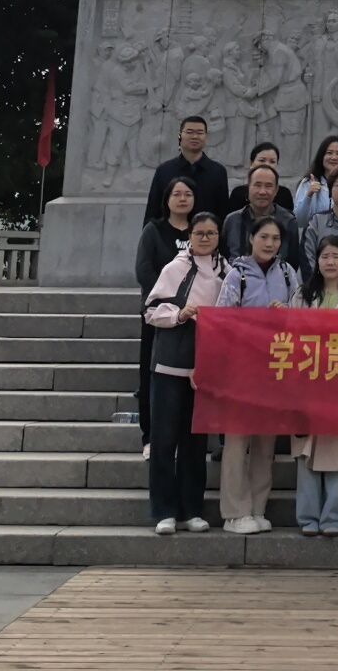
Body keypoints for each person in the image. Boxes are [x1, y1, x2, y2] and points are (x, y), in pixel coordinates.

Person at [213, 216, 299, 534]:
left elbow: (300, 316)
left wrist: (285, 314)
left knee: (265, 442)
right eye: (264, 237)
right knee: (237, 441)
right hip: (242, 368)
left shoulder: (288, 273)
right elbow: (222, 321)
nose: (269, 243)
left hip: (275, 367)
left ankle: (257, 507)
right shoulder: (236, 274)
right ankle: (235, 512)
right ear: (251, 238)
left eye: (275, 238)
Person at [143, 212, 226, 534]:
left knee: (195, 441)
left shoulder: (227, 271)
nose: (205, 238)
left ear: (219, 237)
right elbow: (150, 311)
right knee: (164, 439)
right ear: (189, 236)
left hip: (206, 367)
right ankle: (164, 510)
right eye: (199, 233)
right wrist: (179, 314)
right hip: (170, 365)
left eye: (211, 233)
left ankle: (192, 509)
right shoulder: (174, 269)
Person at [294, 236, 338, 537]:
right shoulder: (302, 295)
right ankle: (308, 517)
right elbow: (290, 336)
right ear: (317, 261)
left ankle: (333, 517)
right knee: (306, 451)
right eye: (325, 256)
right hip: (308, 383)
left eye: (336, 256)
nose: (330, 262)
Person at [133, 177, 197, 449]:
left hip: (192, 316)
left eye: (188, 194)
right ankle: (150, 436)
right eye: (177, 194)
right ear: (167, 199)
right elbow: (144, 269)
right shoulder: (154, 229)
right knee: (151, 373)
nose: (183, 199)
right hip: (159, 314)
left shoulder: (199, 229)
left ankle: (187, 437)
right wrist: (171, 301)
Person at [222, 163, 305, 275]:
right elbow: (224, 259)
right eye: (257, 185)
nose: (262, 191)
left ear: (276, 190)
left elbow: (292, 263)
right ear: (248, 187)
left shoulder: (288, 221)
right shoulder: (232, 220)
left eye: (268, 186)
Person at [146, 115, 230, 221]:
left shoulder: (217, 171)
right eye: (189, 132)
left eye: (200, 133)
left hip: (205, 230)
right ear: (180, 136)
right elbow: (153, 210)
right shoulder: (164, 170)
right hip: (170, 230)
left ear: (206, 137)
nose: (195, 136)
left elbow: (223, 212)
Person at [293, 137, 338, 229]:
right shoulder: (308, 183)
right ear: (321, 156)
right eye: (329, 153)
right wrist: (309, 195)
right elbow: (299, 221)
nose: (334, 157)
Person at [245, 142, 297, 211]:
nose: (267, 165)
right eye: (262, 160)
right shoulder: (237, 194)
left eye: (272, 162)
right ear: (251, 163)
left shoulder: (284, 194)